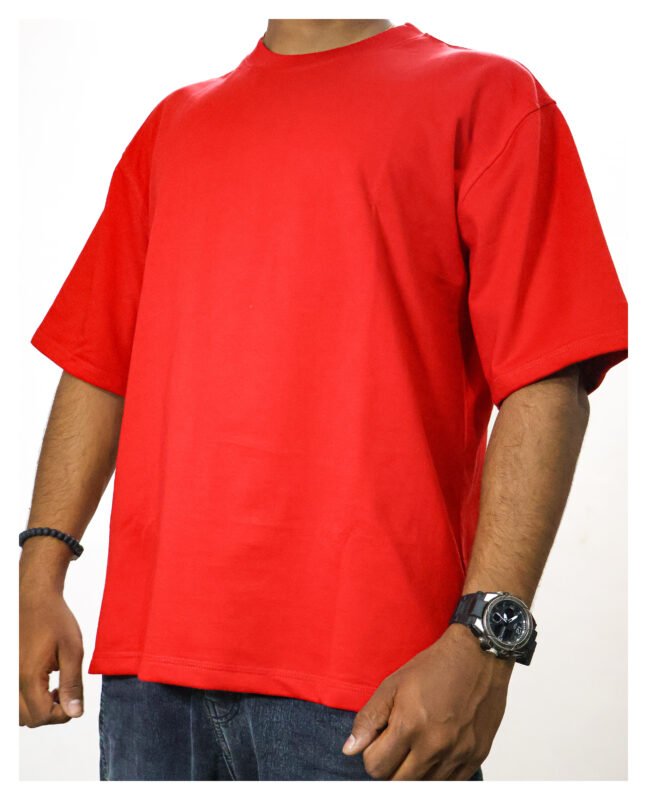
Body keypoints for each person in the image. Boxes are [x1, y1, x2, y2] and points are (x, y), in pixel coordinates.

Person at [19, 18, 628, 781]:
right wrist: (40, 573)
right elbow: (99, 360)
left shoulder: (488, 97)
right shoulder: (173, 126)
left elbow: (545, 377)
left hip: (373, 685)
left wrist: (485, 641)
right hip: (151, 680)